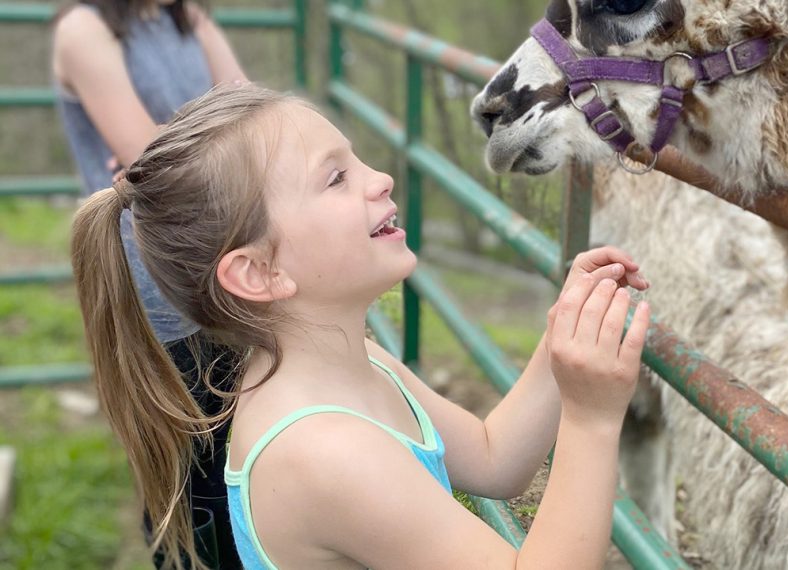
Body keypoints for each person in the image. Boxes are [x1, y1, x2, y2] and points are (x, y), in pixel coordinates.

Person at [70, 84, 653, 570]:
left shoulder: (358, 363)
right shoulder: (323, 451)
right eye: (335, 179)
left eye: (357, 162)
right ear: (260, 272)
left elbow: (494, 458)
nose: (381, 178)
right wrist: (592, 418)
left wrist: (563, 335)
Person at [51, 0, 246, 565]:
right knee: (186, 474)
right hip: (154, 290)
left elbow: (255, 114)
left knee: (240, 454)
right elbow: (148, 156)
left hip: (226, 264)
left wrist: (180, 143)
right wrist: (221, 141)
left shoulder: (187, 17)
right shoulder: (84, 29)